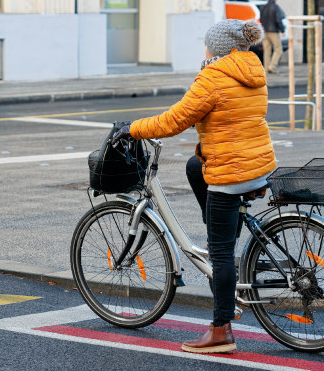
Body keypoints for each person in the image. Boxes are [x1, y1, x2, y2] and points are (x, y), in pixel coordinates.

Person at [113, 19, 276, 354]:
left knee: (220, 255)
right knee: (193, 166)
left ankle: (221, 332)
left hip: (231, 175)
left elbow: (174, 120)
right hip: (257, 165)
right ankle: (221, 231)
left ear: (216, 48)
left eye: (206, 45)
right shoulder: (252, 69)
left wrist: (133, 129)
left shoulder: (215, 76)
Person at [258, 0, 286, 74]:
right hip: (273, 32)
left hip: (264, 32)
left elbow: (261, 20)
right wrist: (283, 30)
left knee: (266, 50)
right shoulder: (276, 7)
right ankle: (272, 66)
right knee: (278, 49)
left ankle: (266, 69)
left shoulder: (263, 7)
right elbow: (278, 20)